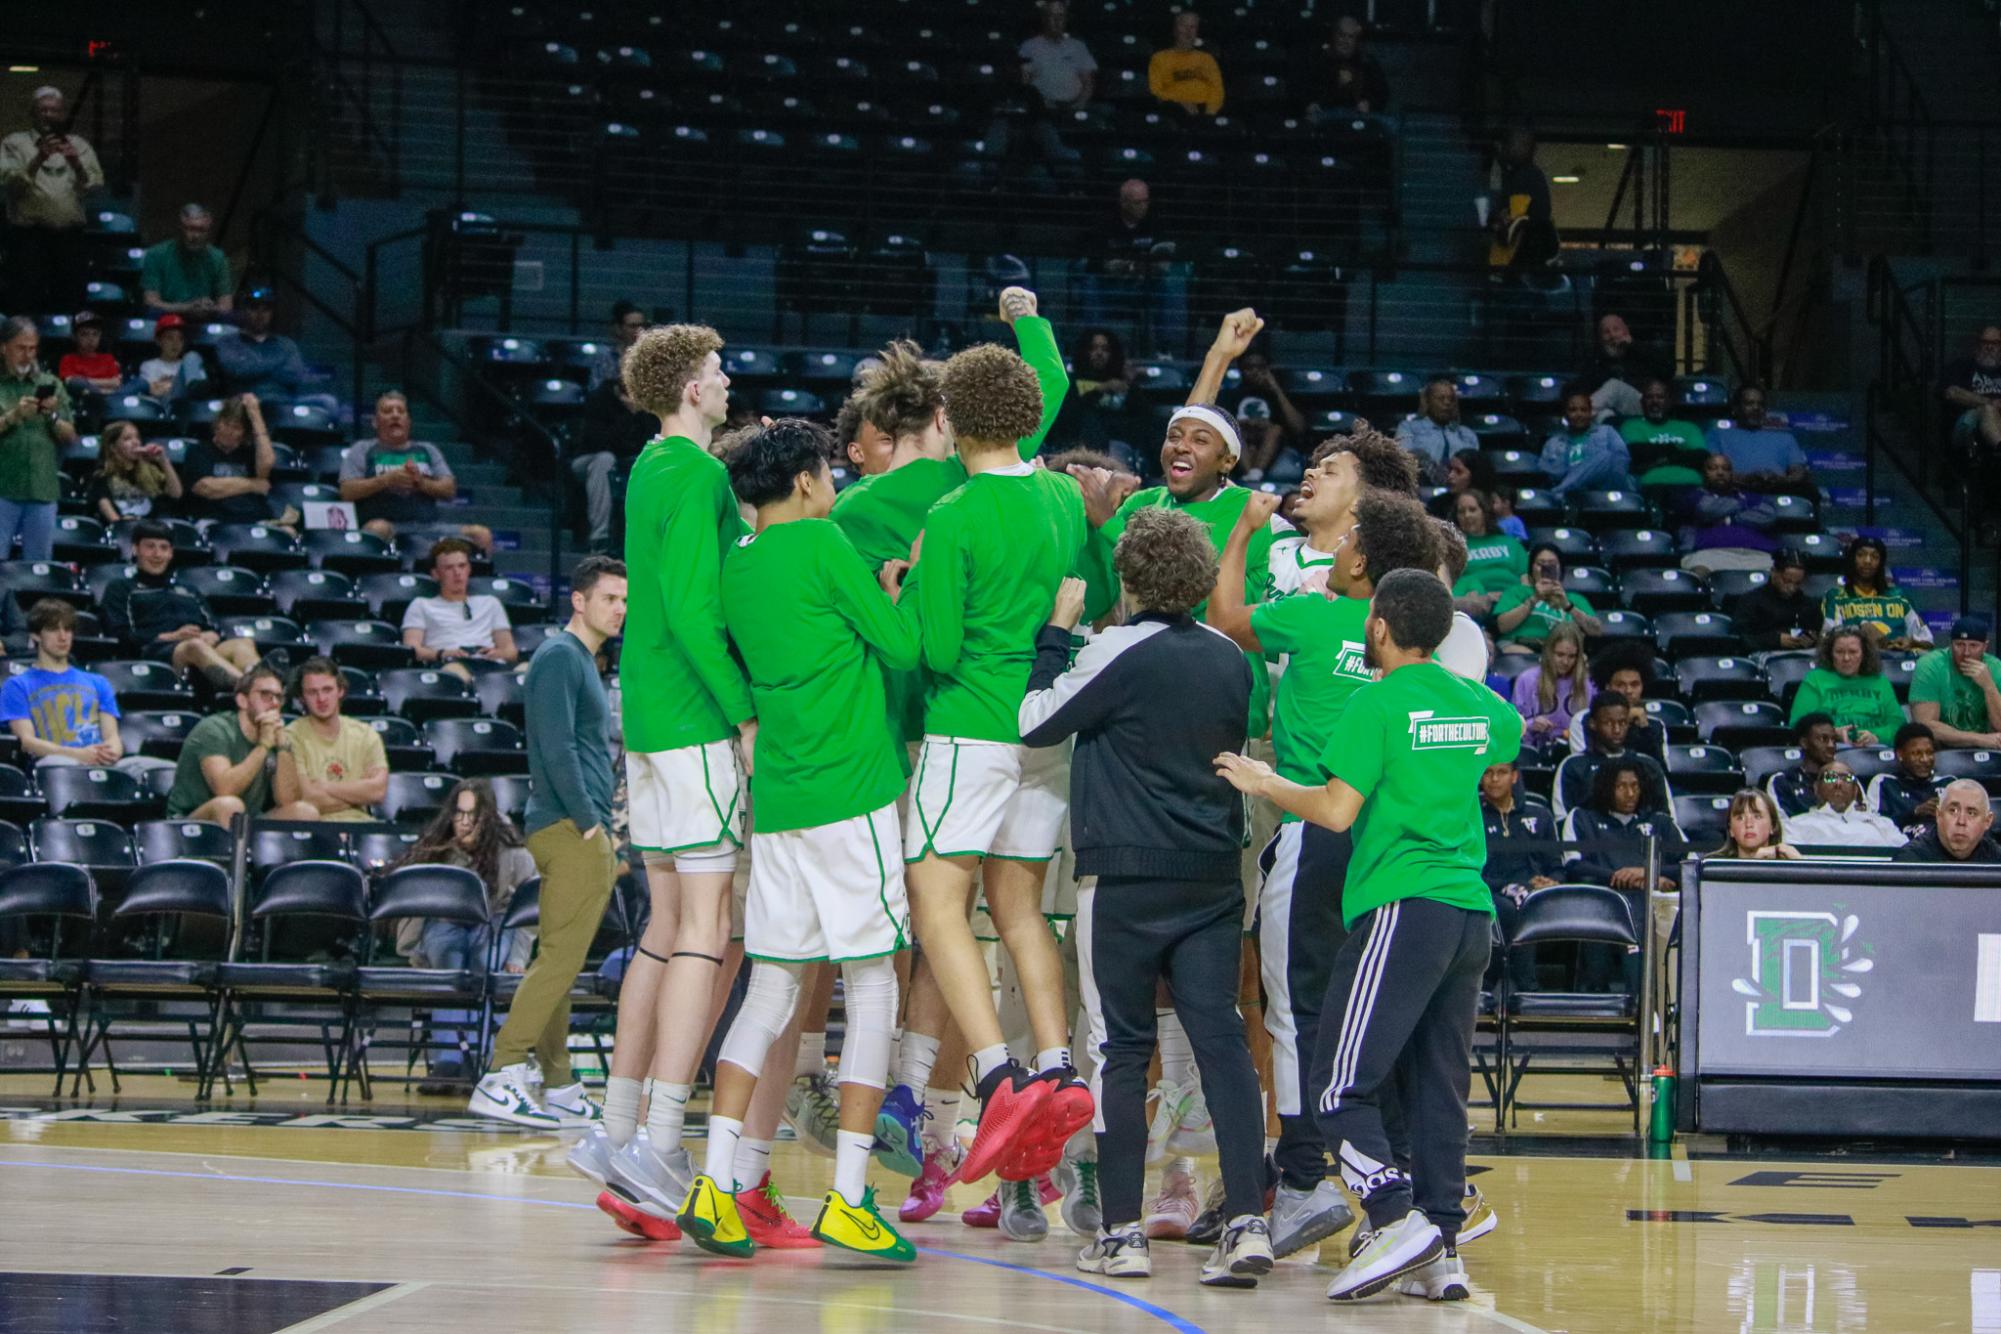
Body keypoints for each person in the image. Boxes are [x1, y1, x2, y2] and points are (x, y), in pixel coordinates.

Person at [1213, 567, 1523, 1303]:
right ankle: (1441, 1245)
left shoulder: (1373, 701)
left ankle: (1393, 1213)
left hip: (1398, 906)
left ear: (1378, 627)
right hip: (1467, 913)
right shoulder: (1479, 704)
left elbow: (1335, 810)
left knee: (1336, 1083)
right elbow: (1500, 746)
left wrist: (1263, 783)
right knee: (1437, 1088)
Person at [675, 418, 919, 1262]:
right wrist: (895, 590)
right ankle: (850, 1197)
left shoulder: (738, 565)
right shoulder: (824, 546)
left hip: (778, 798)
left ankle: (714, 1187)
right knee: (874, 983)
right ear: (812, 482)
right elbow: (900, 649)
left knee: (771, 992)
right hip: (851, 792)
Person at [1021, 513, 1274, 1289]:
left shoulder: (1113, 648)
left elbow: (1035, 724)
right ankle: (1246, 1221)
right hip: (1208, 875)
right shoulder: (1231, 658)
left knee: (1120, 1049)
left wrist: (1054, 637)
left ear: (1127, 583)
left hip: (1124, 878)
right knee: (1221, 1042)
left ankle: (1122, 1232)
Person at [1206, 483, 1440, 1263]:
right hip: (1384, 848)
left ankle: (1304, 1178)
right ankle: (1403, 1180)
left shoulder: (1308, 613)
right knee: (1376, 1018)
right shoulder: (1413, 658)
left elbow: (1225, 620)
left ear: (1363, 562)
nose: (1330, 554)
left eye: (1343, 548)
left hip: (1312, 826)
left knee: (1293, 1011)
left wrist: (1240, 534)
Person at [896, 309, 1094, 1192]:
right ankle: (1054, 1064)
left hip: (969, 724)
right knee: (1019, 910)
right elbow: (1075, 588)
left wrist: (900, 583)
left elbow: (929, 650)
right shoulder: (1060, 495)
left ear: (949, 420)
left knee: (937, 903)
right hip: (1044, 731)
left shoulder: (952, 511)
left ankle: (996, 1073)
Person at [601, 322, 763, 1203]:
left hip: (645, 718)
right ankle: (663, 1141)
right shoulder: (698, 472)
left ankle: (619, 1127)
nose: (727, 377)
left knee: (662, 930)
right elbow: (700, 614)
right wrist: (742, 713)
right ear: (690, 388)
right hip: (696, 715)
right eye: (717, 368)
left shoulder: (647, 466)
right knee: (708, 929)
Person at [470, 556, 627, 1129]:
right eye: (610, 598)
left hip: (569, 825)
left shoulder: (579, 659)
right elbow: (557, 749)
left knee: (557, 959)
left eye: (625, 600)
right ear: (579, 601)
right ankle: (502, 1071)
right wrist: (590, 821)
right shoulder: (561, 657)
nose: (620, 609)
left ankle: (558, 1081)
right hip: (570, 826)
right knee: (560, 958)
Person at [394, 778, 538, 1090]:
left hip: (495, 924)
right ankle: (450, 1060)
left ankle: (476, 1057)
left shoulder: (514, 853)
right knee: (450, 967)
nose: (464, 822)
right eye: (459, 814)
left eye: (472, 815)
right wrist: (414, 950)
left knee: (484, 966)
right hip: (445, 922)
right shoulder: (437, 850)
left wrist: (517, 956)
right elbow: (415, 899)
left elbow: (527, 912)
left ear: (488, 816)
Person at [0, 599, 166, 778]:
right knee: (58, 763)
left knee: (162, 769)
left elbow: (112, 736)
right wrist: (78, 754)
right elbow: (28, 742)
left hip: (100, 759)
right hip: (57, 762)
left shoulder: (98, 682)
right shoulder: (17, 685)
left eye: (68, 629)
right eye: (54, 630)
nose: (63, 637)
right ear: (36, 636)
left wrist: (112, 752)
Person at [1560, 756, 1683, 990]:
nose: (1630, 793)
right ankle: (1597, 998)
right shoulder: (1581, 818)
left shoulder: (1661, 822)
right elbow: (1573, 865)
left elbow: (1690, 865)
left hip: (1650, 902)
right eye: (1621, 786)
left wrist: (1649, 874)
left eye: (1635, 786)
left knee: (1643, 910)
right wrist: (1615, 876)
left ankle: (1643, 1000)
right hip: (1601, 900)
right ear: (1607, 787)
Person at [100, 519, 263, 688]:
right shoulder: (121, 588)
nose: (157, 554)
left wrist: (211, 635)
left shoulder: (189, 590)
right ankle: (253, 690)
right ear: (135, 549)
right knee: (194, 646)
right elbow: (119, 633)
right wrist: (171, 637)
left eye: (164, 548)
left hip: (202, 650)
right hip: (154, 653)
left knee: (243, 644)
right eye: (150, 547)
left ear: (171, 553)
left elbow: (213, 627)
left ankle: (260, 684)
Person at [162, 662, 323, 823]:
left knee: (305, 812)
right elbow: (224, 789)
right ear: (242, 701)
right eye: (266, 695)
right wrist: (264, 746)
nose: (274, 703)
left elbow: (288, 800)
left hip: (245, 820)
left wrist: (282, 746)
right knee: (229, 806)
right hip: (190, 823)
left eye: (279, 697)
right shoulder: (214, 730)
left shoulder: (275, 734)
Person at [337, 390, 491, 553]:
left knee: (481, 534)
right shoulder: (362, 449)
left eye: (401, 411)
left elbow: (449, 489)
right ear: (375, 422)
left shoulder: (427, 450)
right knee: (377, 529)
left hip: (429, 526)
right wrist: (386, 480)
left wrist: (420, 482)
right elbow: (347, 492)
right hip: (388, 526)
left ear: (408, 421)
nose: (395, 416)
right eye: (388, 411)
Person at [0, 87, 103, 313]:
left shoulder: (80, 145)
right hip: (29, 238)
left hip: (69, 238)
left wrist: (75, 162)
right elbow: (9, 184)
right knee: (25, 301)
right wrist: (39, 157)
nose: (48, 115)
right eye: (43, 110)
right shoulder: (14, 143)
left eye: (54, 110)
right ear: (32, 113)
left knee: (71, 301)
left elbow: (94, 187)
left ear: (62, 115)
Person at [274, 656, 389, 823]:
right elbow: (306, 798)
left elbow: (378, 791)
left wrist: (324, 786)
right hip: (315, 828)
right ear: (301, 698)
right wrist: (359, 794)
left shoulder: (366, 734)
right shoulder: (292, 735)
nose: (321, 699)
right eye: (312, 692)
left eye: (327, 690)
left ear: (340, 690)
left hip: (362, 827)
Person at [0, 316, 77, 561]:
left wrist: (52, 415)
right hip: (3, 488)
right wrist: (14, 416)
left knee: (38, 564)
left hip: (43, 489)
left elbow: (71, 437)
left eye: (32, 348)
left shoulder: (50, 383)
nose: (27, 355)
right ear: (4, 348)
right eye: (21, 348)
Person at [1479, 760, 1560, 992]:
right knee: (1503, 907)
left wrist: (1552, 881)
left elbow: (1557, 865)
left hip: (1534, 892)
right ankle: (1515, 984)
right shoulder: (1471, 816)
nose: (1494, 779)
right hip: (1489, 890)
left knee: (1528, 901)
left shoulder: (1540, 815)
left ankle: (1521, 986)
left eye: (1501, 773)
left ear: (1514, 777)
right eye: (1488, 772)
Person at [1080, 179, 1183, 354]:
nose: (1143, 206)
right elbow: (1092, 261)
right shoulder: (1105, 224)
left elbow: (1166, 253)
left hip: (1145, 284)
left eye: (1145, 201)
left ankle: (1165, 349)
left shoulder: (1156, 223)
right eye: (1137, 202)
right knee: (1091, 284)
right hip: (1112, 286)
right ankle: (1094, 345)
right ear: (1123, 203)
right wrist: (1109, 267)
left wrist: (1155, 266)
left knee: (1170, 286)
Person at [399, 537, 517, 682]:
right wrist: (442, 654)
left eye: (462, 566)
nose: (457, 573)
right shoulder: (421, 605)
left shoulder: (490, 603)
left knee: (527, 670)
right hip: (449, 662)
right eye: (449, 568)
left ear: (469, 569)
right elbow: (412, 649)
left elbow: (510, 651)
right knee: (456, 674)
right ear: (435, 574)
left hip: (490, 663)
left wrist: (498, 653)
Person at [1553, 692, 1673, 821]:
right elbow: (1563, 820)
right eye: (1608, 723)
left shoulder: (1648, 765)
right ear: (1593, 724)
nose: (1616, 730)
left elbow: (1666, 819)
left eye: (1622, 723)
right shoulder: (1573, 766)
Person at [179, 393, 292, 528]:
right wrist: (253, 485)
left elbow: (267, 465)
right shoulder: (198, 450)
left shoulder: (251, 452)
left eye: (236, 427)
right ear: (217, 423)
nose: (229, 431)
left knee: (287, 532)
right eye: (226, 424)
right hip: (213, 519)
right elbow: (206, 488)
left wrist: (255, 416)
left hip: (254, 518)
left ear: (244, 433)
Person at [212, 288, 336, 411]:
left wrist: (255, 368)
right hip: (244, 402)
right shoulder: (227, 342)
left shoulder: (286, 344)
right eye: (254, 308)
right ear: (244, 310)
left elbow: (293, 376)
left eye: (266, 309)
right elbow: (237, 370)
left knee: (329, 402)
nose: (260, 314)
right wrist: (278, 362)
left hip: (283, 401)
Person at [574, 375, 655, 552]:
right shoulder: (599, 399)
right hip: (588, 459)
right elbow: (600, 442)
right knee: (605, 460)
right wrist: (628, 415)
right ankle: (599, 538)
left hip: (628, 462)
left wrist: (638, 414)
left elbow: (650, 440)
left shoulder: (645, 406)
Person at [1788, 627, 1904, 746]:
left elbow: (1898, 725)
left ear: (1864, 654)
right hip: (1832, 748)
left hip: (1875, 747)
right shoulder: (1815, 679)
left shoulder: (1880, 682)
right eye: (1839, 652)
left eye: (1853, 652)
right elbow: (1798, 725)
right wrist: (1833, 734)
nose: (1846, 658)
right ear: (1830, 654)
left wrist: (1876, 736)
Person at [1051, 328, 1154, 460]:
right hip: (1077, 445)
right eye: (1093, 348)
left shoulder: (1123, 383)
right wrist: (1100, 390)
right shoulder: (1071, 381)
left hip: (1118, 448)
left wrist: (1130, 385)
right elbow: (1068, 416)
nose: (1099, 353)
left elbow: (1143, 418)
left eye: (1105, 349)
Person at [1820, 535, 1931, 650]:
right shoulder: (1836, 597)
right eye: (1861, 555)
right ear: (1852, 559)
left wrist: (1911, 642)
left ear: (1881, 563)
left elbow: (1927, 639)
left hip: (1895, 662)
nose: (1867, 561)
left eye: (1875, 556)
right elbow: (1826, 640)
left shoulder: (1899, 597)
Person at [1908, 614, 2001, 748]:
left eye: (1974, 645)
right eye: (1959, 645)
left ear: (1985, 647)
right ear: (1950, 644)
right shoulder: (1930, 665)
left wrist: (1989, 686)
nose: (1966, 653)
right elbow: (1926, 726)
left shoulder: (1996, 667)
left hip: (1988, 748)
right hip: (1941, 748)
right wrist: (1978, 739)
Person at [1564, 643, 1667, 763]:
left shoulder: (1656, 725)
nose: (1628, 691)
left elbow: (1659, 772)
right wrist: (1623, 721)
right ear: (1607, 687)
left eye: (1634, 685)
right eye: (1620, 685)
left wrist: (1645, 730)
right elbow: (1583, 766)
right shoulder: (1583, 719)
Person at [1677, 453, 1780, 574]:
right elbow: (1707, 510)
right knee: (1698, 572)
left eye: (1725, 468)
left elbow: (1768, 516)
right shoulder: (1695, 495)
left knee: (1781, 574)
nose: (1720, 473)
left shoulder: (1749, 495)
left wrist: (1729, 519)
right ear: (1703, 473)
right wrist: (1743, 504)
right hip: (1709, 552)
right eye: (1713, 468)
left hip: (1757, 553)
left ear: (1732, 474)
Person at [1706, 384, 1814, 499]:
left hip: (1778, 489)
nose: (1756, 408)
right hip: (1735, 489)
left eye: (1760, 404)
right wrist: (1748, 479)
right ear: (1736, 408)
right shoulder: (1717, 435)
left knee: (1809, 491)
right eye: (1749, 403)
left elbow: (1798, 471)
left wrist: (1780, 480)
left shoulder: (1786, 438)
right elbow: (1713, 472)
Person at [1493, 542, 1601, 650]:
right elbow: (1503, 626)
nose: (1546, 568)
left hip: (1560, 653)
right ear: (1532, 568)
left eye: (1552, 564)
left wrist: (1568, 606)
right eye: (1541, 564)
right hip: (1520, 646)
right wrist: (1534, 599)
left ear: (1560, 568)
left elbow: (1596, 631)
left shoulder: (1575, 599)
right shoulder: (1516, 592)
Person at [1780, 759, 1906, 851]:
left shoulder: (1883, 825)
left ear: (1856, 790)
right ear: (1816, 788)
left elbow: (1905, 858)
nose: (1838, 783)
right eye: (1830, 777)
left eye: (1847, 778)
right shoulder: (1795, 825)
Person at [1230, 344, 1309, 485]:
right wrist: (1244, 424)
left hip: (1272, 445)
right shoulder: (1231, 395)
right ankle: (1251, 475)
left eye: (1260, 368)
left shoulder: (1280, 395)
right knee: (1234, 429)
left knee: (1275, 430)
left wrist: (1276, 389)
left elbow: (1299, 428)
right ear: (1241, 370)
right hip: (1242, 443)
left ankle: (1254, 474)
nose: (1255, 372)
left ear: (1268, 369)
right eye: (1249, 367)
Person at [139, 204, 234, 318]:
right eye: (190, 229)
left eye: (201, 230)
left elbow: (226, 306)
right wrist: (187, 308)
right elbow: (151, 303)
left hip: (204, 318)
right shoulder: (156, 254)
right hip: (166, 320)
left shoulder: (218, 258)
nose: (195, 235)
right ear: (180, 227)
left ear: (208, 231)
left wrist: (210, 308)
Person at [1538, 390, 1634, 496]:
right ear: (1565, 414)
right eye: (1573, 410)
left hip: (1606, 489)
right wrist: (1582, 471)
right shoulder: (1554, 442)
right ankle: (1566, 489)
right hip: (1576, 494)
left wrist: (1592, 470)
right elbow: (1548, 473)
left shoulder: (1606, 432)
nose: (1579, 414)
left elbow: (1621, 461)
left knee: (1607, 456)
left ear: (1590, 413)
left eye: (1583, 410)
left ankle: (1561, 490)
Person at [1487, 128, 1556, 272]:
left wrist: (1498, 223)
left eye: (1511, 144)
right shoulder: (1520, 175)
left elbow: (1513, 221)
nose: (1507, 149)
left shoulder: (1526, 177)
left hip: (1518, 261)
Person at [1578, 314, 1671, 422]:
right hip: (1616, 413)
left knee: (1614, 386)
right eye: (1606, 332)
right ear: (1600, 338)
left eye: (1616, 329)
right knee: (1603, 415)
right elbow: (1585, 386)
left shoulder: (1642, 352)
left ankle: (1577, 416)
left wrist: (1633, 346)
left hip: (1643, 407)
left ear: (1626, 332)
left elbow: (1668, 371)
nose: (1612, 335)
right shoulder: (1596, 361)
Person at [1619, 377, 1711, 486]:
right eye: (1649, 397)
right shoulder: (1631, 425)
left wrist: (1662, 458)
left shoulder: (1689, 427)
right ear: (1642, 402)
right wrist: (1677, 452)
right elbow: (1637, 453)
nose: (1655, 401)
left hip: (1691, 487)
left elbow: (1701, 457)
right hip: (1652, 487)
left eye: (1660, 397)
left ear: (1669, 401)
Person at [89, 419, 182, 523]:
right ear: (113, 447)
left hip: (152, 528)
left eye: (137, 437)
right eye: (127, 439)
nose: (135, 442)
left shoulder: (150, 469)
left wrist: (163, 461)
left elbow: (176, 494)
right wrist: (121, 523)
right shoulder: (102, 474)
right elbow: (104, 505)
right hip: (123, 529)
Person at [1448, 489, 1527, 612]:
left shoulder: (1511, 544)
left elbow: (1525, 581)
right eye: (1461, 512)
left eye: (1472, 510)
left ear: (1484, 512)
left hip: (1512, 604)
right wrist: (1486, 597)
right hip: (1474, 607)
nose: (1467, 515)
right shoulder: (1454, 549)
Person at [1511, 622, 1589, 746]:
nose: (1565, 662)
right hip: (1533, 748)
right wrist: (1532, 724)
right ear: (1549, 652)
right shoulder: (1527, 679)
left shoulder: (1588, 683)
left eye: (1572, 656)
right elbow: (1512, 725)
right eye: (1560, 655)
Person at [1867, 722, 1950, 835]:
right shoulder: (1884, 783)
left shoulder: (1948, 783)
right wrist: (1915, 812)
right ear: (1900, 754)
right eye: (1917, 753)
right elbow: (1875, 825)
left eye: (1929, 752)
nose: (1925, 759)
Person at [1732, 548, 1819, 652]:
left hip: (1804, 655)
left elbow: (1819, 633)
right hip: (1765, 655)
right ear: (1774, 572)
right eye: (1786, 581)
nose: (1791, 587)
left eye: (1797, 583)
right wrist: (1776, 640)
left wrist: (1812, 639)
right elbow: (1740, 638)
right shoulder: (1750, 601)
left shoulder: (1809, 604)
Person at [1892, 779, 2001, 862]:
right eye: (1953, 811)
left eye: (1971, 813)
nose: (1961, 821)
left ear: (1987, 821)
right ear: (1938, 815)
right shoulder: (1910, 859)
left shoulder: (1995, 858)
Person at [1396, 378, 1479, 483]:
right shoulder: (1408, 427)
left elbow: (1475, 469)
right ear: (1427, 402)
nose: (1447, 402)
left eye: (1451, 399)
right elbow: (1402, 459)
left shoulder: (1467, 434)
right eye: (1441, 398)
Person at [1305, 15, 1389, 118]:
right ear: (1334, 36)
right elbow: (1305, 92)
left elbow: (1382, 94)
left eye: (1350, 37)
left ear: (1356, 40)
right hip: (1325, 118)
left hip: (1359, 120)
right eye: (1342, 35)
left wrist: (1369, 104)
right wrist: (1311, 104)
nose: (1345, 41)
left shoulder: (1367, 63)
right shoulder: (1318, 61)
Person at [1148, 11, 1224, 117]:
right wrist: (1180, 101)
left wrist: (1209, 113)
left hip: (1204, 111)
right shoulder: (1159, 58)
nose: (1188, 31)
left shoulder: (1207, 59)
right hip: (1173, 109)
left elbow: (1217, 90)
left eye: (1193, 27)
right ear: (1174, 30)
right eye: (1183, 26)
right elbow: (1155, 91)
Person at [1767, 712, 1841, 817]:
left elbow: (1863, 816)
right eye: (1823, 739)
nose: (1831, 745)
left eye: (1834, 740)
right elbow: (1783, 825)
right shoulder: (1782, 781)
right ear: (1804, 743)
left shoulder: (1845, 778)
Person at [1707, 788, 1800, 860]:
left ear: (1773, 826)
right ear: (1731, 829)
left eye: (1757, 817)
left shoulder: (1787, 866)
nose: (1749, 824)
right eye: (1740, 818)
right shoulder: (1714, 867)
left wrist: (1800, 864)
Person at [137, 313, 209, 404]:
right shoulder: (149, 365)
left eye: (180, 339)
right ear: (159, 341)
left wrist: (168, 385)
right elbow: (154, 390)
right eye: (170, 338)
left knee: (193, 357)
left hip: (188, 404)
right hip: (163, 405)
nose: (175, 343)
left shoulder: (188, 364)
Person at [56, 310, 123, 395]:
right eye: (84, 334)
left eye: (95, 334)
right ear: (74, 337)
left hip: (108, 399)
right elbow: (72, 383)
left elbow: (116, 383)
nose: (91, 339)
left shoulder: (108, 358)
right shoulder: (68, 359)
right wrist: (105, 386)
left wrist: (86, 382)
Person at [588, 299, 647, 389]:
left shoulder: (652, 358)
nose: (639, 331)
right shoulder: (605, 358)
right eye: (632, 326)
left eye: (642, 326)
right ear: (619, 329)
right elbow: (596, 390)